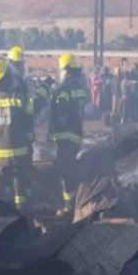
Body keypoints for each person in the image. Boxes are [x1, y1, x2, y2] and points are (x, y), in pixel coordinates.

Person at [0, 60, 33, 211]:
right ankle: (23, 222)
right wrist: (45, 89)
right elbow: (33, 110)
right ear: (8, 78)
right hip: (18, 156)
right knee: (20, 193)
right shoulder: (19, 100)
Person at [50, 52, 86, 216]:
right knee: (70, 168)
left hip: (65, 136)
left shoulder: (64, 88)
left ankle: (70, 206)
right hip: (76, 134)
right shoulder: (78, 87)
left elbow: (61, 110)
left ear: (66, 69)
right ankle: (73, 202)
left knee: (66, 172)